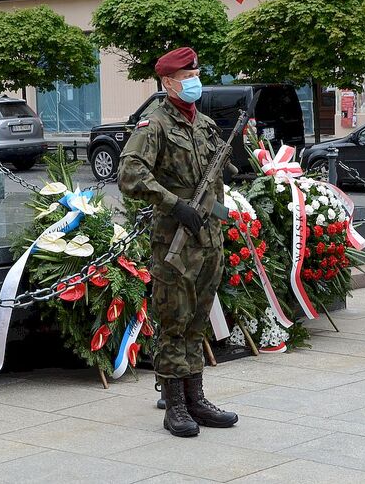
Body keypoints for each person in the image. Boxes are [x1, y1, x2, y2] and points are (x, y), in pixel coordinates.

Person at [118, 47, 239, 438]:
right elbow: (131, 175)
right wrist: (174, 203)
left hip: (208, 237)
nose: (194, 81)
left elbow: (218, 176)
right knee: (174, 320)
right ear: (168, 82)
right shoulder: (152, 125)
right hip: (174, 238)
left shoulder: (203, 124)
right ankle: (175, 407)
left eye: (196, 73)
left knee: (198, 319)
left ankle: (196, 399)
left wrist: (237, 166)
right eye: (188, 75)